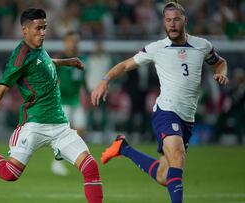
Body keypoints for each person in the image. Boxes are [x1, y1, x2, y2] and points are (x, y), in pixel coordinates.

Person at [0, 8, 103, 203]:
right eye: (38, 28)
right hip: (34, 125)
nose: (43, 32)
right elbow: (0, 90)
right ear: (25, 30)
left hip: (60, 126)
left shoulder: (39, 49)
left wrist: (66, 62)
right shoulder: (20, 56)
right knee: (10, 174)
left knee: (90, 168)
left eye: (45, 28)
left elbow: (44, 63)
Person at [91, 1, 228, 203]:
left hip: (187, 119)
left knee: (165, 176)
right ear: (164, 23)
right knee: (178, 157)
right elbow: (125, 65)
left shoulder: (202, 45)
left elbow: (220, 62)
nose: (172, 24)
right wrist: (105, 80)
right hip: (166, 111)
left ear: (185, 21)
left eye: (176, 20)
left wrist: (220, 73)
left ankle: (123, 148)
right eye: (168, 20)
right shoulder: (157, 48)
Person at [51, 31, 87, 176]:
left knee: (80, 128)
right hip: (63, 101)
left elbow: (81, 78)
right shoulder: (60, 59)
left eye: (76, 41)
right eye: (71, 40)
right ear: (66, 42)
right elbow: (52, 77)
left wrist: (89, 91)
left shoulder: (81, 59)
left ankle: (68, 157)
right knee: (64, 133)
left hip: (76, 100)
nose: (74, 43)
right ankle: (57, 162)